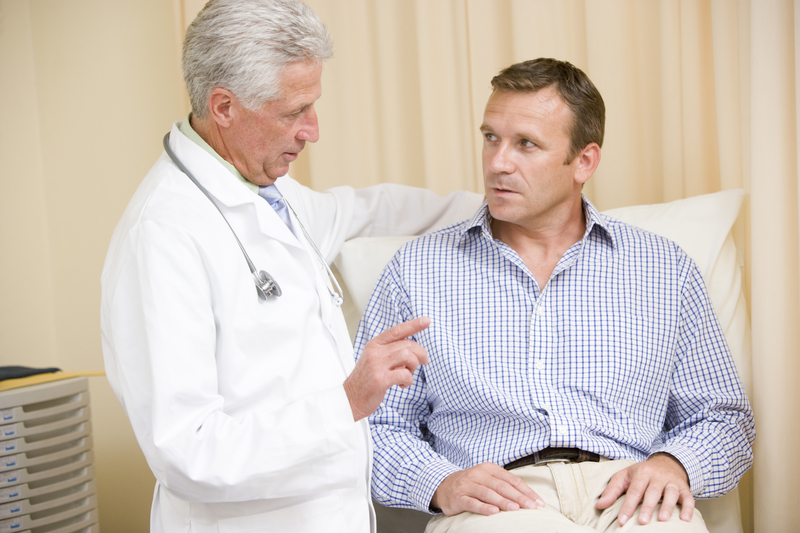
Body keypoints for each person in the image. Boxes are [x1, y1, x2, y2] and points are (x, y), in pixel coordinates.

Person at [100, 1, 481, 532]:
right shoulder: (163, 236)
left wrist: (496, 207)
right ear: (225, 107)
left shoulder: (270, 197)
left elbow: (370, 209)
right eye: (292, 112)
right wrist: (346, 401)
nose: (312, 130)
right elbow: (187, 453)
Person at [355, 58, 755, 532]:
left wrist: (676, 464)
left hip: (628, 490)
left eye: (526, 144)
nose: (498, 162)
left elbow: (724, 417)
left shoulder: (665, 268)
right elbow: (370, 424)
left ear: (583, 161)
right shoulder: (415, 271)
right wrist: (440, 482)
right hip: (498, 500)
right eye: (491, 138)